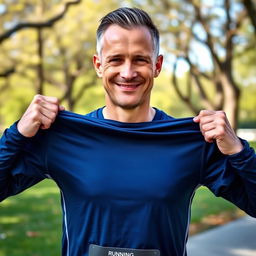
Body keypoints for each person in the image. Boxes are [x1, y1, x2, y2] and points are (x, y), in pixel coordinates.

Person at [0, 7, 255, 256]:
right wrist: (18, 133)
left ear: (157, 65)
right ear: (99, 65)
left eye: (140, 60)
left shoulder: (192, 143)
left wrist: (238, 150)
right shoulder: (63, 139)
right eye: (116, 59)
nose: (128, 72)